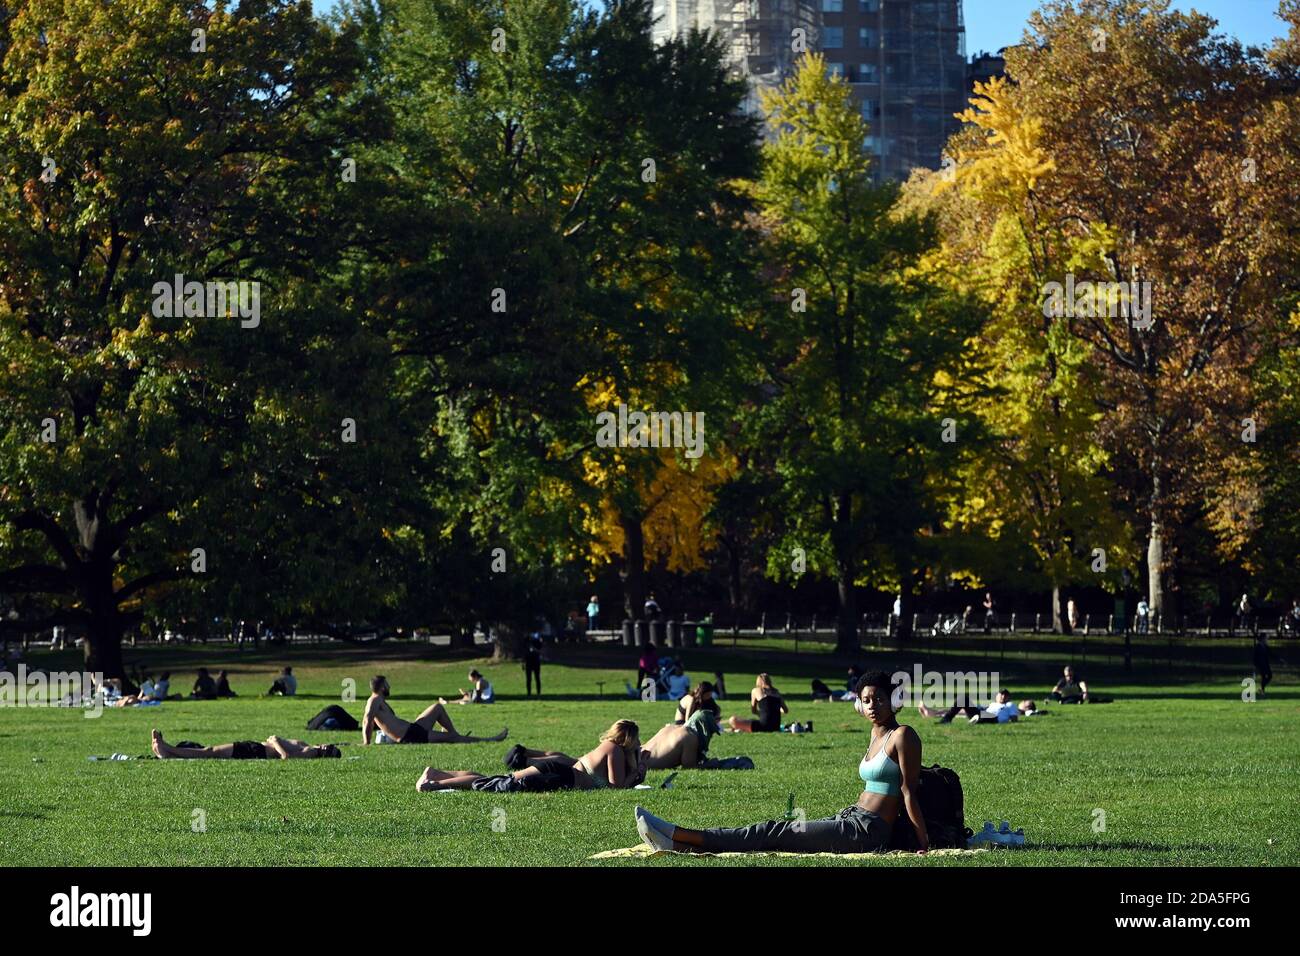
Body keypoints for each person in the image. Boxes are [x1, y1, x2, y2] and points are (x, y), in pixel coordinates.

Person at [634, 670, 928, 855]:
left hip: (867, 831)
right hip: (851, 817)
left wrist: (923, 844)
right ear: (859, 706)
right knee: (778, 831)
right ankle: (680, 846)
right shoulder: (875, 735)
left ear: (894, 700)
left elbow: (908, 792)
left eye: (879, 699)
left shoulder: (902, 736)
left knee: (775, 830)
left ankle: (679, 833)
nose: (872, 706)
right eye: (866, 700)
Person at [418, 720, 645, 792]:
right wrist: (635, 772)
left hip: (557, 773)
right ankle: (432, 784)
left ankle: (438, 775)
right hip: (557, 775)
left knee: (496, 779)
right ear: (629, 738)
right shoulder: (614, 750)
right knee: (498, 784)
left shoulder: (608, 747)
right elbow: (615, 789)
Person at [362, 676, 506, 745]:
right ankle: (491, 739)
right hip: (411, 736)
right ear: (381, 687)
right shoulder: (374, 700)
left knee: (437, 707)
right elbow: (367, 720)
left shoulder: (378, 700)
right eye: (387, 684)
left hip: (413, 729)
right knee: (453, 739)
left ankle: (453, 733)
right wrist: (366, 743)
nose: (389, 687)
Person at [151, 729, 340, 760]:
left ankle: (167, 748)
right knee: (210, 751)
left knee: (210, 751)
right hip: (255, 747)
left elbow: (286, 757)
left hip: (256, 751)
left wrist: (275, 742)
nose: (326, 747)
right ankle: (168, 752)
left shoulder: (310, 752)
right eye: (330, 745)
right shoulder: (310, 746)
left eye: (329, 750)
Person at [1253, 630, 1273, 697]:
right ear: (1263, 638)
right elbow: (1255, 656)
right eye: (1266, 638)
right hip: (1261, 665)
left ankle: (1261, 689)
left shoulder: (1265, 646)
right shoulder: (1258, 646)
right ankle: (1262, 690)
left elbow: (1271, 654)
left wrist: (1279, 659)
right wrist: (1255, 664)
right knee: (1264, 677)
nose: (1267, 639)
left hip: (1266, 664)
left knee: (1269, 676)